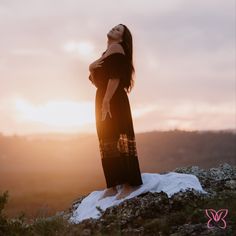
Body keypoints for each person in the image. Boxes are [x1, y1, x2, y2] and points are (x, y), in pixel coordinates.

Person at [88, 24, 143, 200]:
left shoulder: (117, 48)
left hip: (113, 99)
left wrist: (106, 100)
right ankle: (112, 185)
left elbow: (115, 76)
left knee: (119, 138)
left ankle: (128, 185)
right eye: (114, 27)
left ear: (122, 38)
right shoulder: (107, 52)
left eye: (118, 30)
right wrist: (91, 67)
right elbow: (96, 81)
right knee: (107, 140)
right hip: (103, 98)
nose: (114, 29)